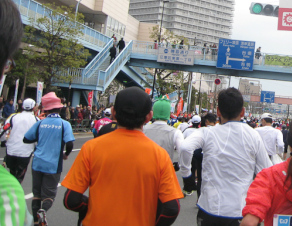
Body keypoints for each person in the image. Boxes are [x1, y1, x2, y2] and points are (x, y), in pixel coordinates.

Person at [62, 86, 183, 226]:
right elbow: (172, 208)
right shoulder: (160, 155)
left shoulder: (91, 148)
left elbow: (71, 200)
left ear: (113, 112)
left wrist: (88, 208)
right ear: (149, 116)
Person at [183, 87, 271, 225]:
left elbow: (185, 147)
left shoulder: (207, 132)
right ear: (242, 112)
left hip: (209, 208)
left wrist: (187, 176)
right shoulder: (253, 135)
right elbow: (266, 171)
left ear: (218, 111)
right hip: (240, 210)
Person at [0, 0, 35, 225]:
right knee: (16, 179)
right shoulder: (6, 196)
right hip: (24, 153)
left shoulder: (13, 115)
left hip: (11, 150)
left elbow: (5, 130)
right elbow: (34, 138)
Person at [24, 92, 75, 225]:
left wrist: (41, 138)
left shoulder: (40, 123)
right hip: (53, 165)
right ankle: (43, 211)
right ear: (59, 109)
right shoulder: (64, 124)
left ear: (46, 110)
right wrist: (66, 154)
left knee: (36, 194)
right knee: (49, 195)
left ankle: (36, 222)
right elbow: (70, 143)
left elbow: (26, 138)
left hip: (37, 163)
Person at [180, 113, 217, 196]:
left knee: (195, 173)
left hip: (194, 155)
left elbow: (183, 145)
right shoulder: (217, 132)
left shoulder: (193, 130)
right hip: (211, 160)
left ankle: (191, 188)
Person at [2, 98, 39, 183]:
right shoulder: (36, 120)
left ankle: (10, 188)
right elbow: (38, 136)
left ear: (22, 106)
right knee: (19, 177)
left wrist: (4, 141)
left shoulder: (13, 117)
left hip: (11, 150)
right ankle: (15, 189)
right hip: (25, 152)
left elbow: (3, 129)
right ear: (33, 107)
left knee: (11, 174)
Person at [144, 97, 184, 171]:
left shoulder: (143, 129)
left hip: (144, 170)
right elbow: (183, 151)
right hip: (165, 171)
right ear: (168, 113)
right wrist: (180, 165)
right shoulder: (175, 132)